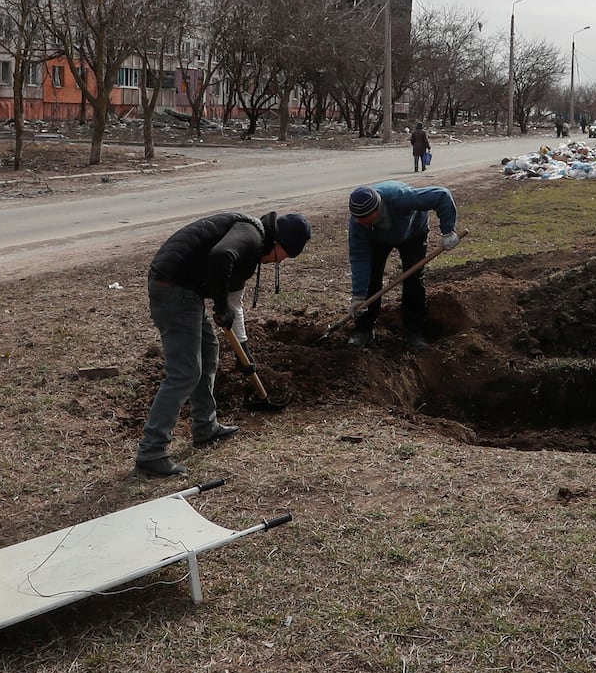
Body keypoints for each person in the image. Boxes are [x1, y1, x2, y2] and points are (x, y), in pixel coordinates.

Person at [135, 209, 312, 478]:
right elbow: (220, 257)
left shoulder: (249, 249)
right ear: (279, 244)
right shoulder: (250, 236)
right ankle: (152, 451)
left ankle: (205, 427)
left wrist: (245, 352)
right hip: (172, 287)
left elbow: (234, 305)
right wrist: (218, 305)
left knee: (209, 350)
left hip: (185, 290)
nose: (278, 262)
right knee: (185, 372)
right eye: (283, 257)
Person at [344, 181, 459, 352]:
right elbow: (359, 258)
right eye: (357, 218)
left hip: (413, 232)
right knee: (371, 280)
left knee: (414, 279)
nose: (359, 222)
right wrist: (358, 295)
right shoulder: (358, 224)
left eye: (363, 218)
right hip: (378, 238)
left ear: (376, 210)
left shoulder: (400, 198)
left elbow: (442, 195)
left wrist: (448, 231)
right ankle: (364, 330)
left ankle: (414, 331)